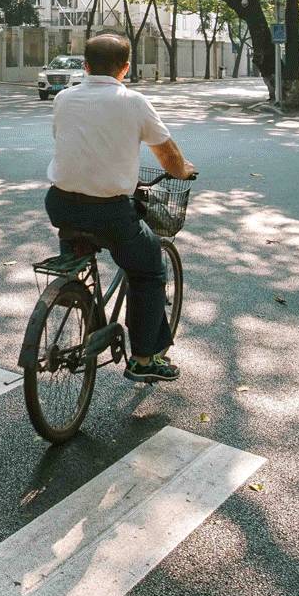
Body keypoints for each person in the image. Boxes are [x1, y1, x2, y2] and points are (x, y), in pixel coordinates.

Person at [46, 31, 198, 383]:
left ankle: (75, 290)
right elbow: (169, 157)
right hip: (110, 211)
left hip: (61, 204)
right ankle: (144, 358)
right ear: (125, 68)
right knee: (148, 269)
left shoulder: (64, 98)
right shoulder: (133, 101)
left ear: (85, 66)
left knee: (80, 245)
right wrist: (183, 169)